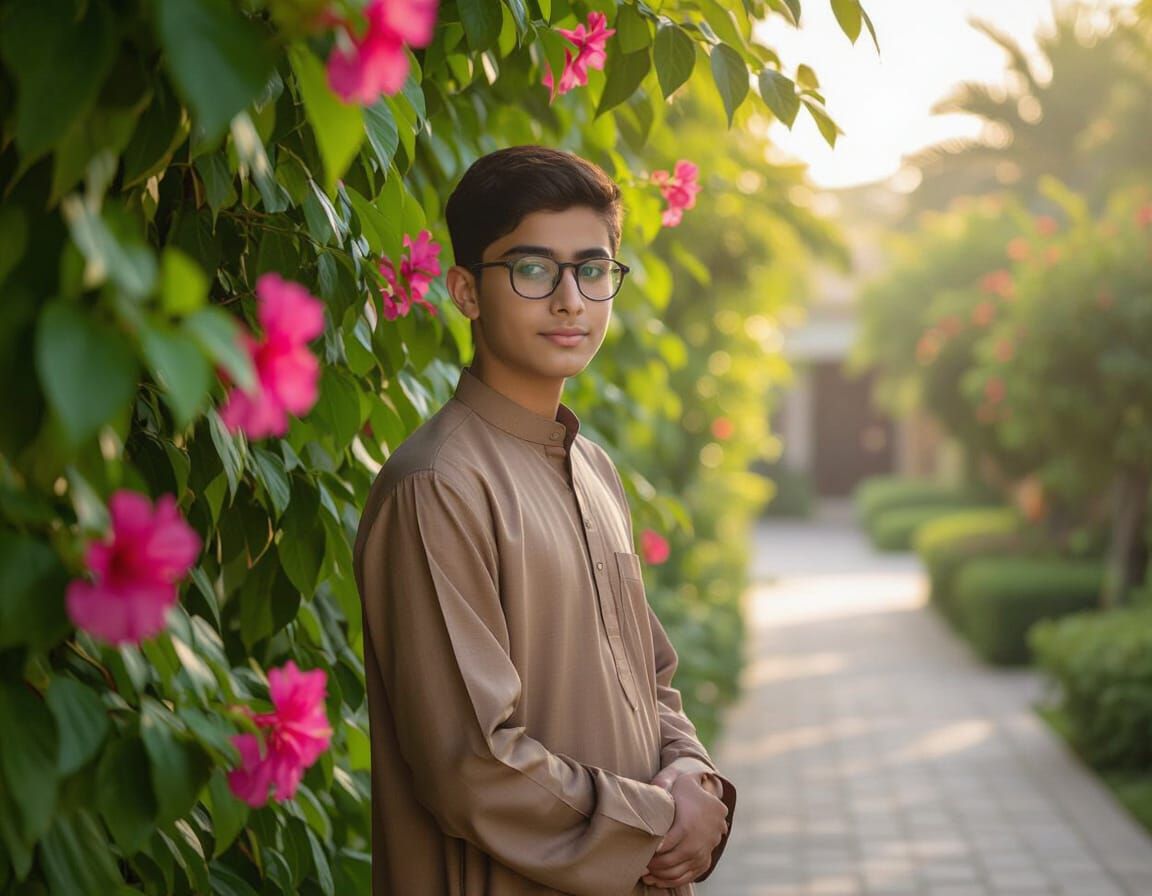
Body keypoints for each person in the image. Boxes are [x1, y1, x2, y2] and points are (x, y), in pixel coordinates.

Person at [352, 145, 737, 895]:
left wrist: (692, 772)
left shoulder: (592, 468)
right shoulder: (438, 486)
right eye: (533, 269)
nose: (570, 301)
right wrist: (656, 821)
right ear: (466, 290)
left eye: (592, 270)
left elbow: (651, 679)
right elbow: (470, 765)